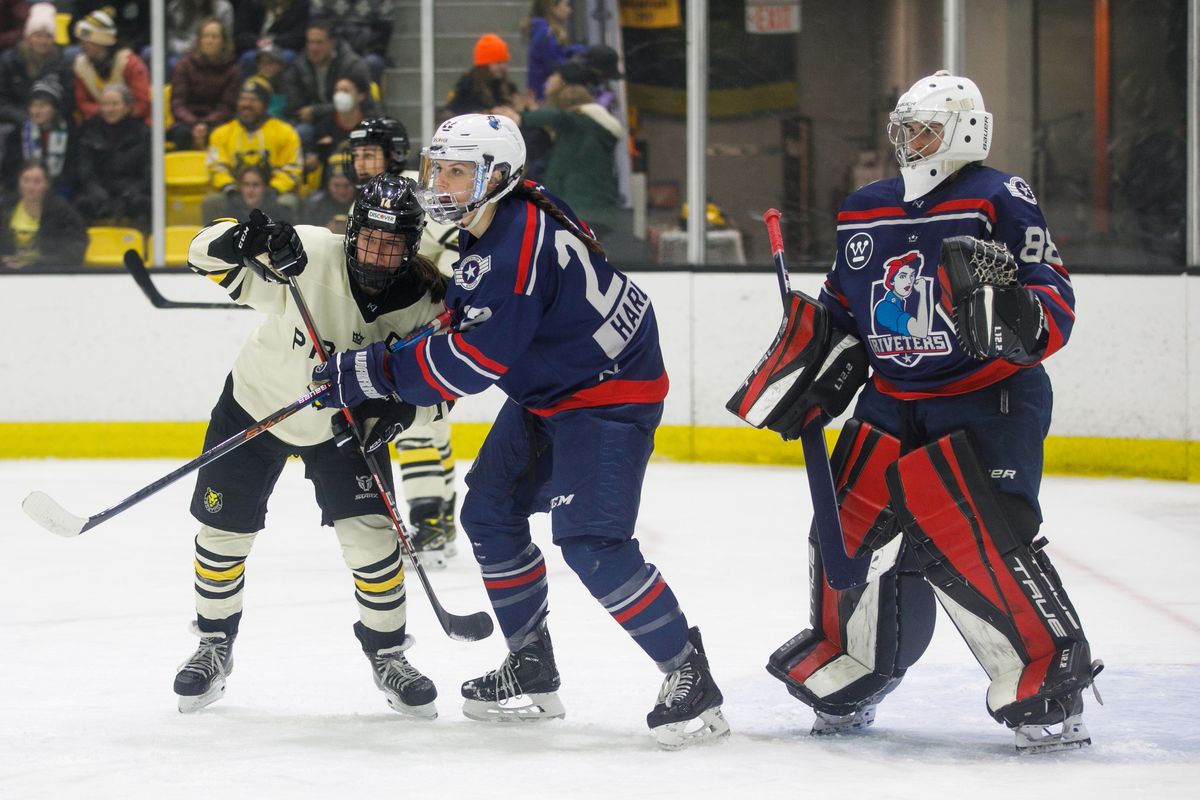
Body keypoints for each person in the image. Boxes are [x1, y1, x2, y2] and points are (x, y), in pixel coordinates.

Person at [312, 113, 731, 750]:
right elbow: (490, 320)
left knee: (592, 540)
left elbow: (471, 364)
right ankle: (531, 665)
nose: (443, 184)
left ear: (499, 176)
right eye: (439, 169)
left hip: (608, 392)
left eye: (460, 172)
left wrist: (371, 371)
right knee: (488, 513)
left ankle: (688, 674)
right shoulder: (517, 211)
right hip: (557, 383)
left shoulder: (507, 251)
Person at [742, 71, 1098, 754]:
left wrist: (1020, 316)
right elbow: (843, 309)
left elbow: (1050, 291)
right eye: (903, 128)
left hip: (984, 398)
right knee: (846, 536)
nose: (911, 140)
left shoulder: (998, 195)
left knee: (982, 543)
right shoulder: (865, 207)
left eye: (926, 127)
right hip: (889, 403)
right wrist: (811, 367)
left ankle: (1044, 686)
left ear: (966, 130)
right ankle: (853, 668)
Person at [174, 172, 448, 716]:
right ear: (351, 232)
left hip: (344, 428)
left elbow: (440, 389)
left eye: (392, 242)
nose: (377, 251)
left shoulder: (425, 304)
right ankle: (213, 643)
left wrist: (399, 411)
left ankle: (388, 653)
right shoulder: (307, 254)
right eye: (370, 236)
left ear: (411, 245)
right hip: (256, 405)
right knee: (222, 533)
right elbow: (201, 255)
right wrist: (244, 240)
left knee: (373, 545)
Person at [346, 116, 461, 568]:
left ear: (392, 154)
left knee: (417, 429)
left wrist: (445, 304)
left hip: (424, 322)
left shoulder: (415, 193)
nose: (360, 162)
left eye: (368, 153)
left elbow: (453, 248)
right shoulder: (374, 198)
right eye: (355, 153)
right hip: (405, 325)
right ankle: (443, 517)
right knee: (433, 429)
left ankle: (431, 520)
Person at [503, 61, 622, 237]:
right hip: (593, 210)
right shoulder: (592, 128)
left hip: (580, 209)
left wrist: (521, 118)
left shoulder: (578, 123)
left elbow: (558, 117)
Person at [203, 76, 302, 221]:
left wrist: (272, 190)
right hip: (235, 193)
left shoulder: (286, 132)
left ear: (265, 104)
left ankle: (289, 243)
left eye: (253, 100)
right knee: (212, 201)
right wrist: (231, 190)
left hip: (273, 194)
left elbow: (293, 168)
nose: (246, 104)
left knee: (288, 202)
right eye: (243, 99)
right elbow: (216, 168)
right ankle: (209, 242)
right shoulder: (221, 133)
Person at [282, 19, 371, 150]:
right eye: (310, 42)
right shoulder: (299, 65)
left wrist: (316, 111)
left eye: (319, 43)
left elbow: (360, 103)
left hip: (345, 120)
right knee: (299, 132)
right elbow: (295, 106)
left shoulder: (352, 65)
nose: (313, 48)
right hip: (314, 123)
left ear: (332, 43)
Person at [73, 83, 150, 229]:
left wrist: (128, 194)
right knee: (81, 203)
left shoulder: (143, 133)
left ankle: (145, 248)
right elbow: (85, 172)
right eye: (105, 104)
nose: (109, 109)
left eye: (115, 104)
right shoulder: (89, 132)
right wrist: (99, 193)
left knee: (144, 204)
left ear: (127, 107)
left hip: (131, 192)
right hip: (99, 190)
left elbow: (148, 174)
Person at [167, 16, 240, 151]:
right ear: (199, 40)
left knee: (221, 135)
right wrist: (195, 123)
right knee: (182, 134)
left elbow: (227, 106)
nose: (209, 41)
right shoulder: (184, 65)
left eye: (214, 37)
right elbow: (177, 103)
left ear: (223, 41)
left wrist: (205, 124)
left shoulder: (233, 70)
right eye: (206, 36)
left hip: (218, 123)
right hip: (186, 121)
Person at [0, 160, 87, 270]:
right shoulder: (5, 208)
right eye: (25, 180)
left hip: (47, 274)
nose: (30, 186)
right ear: (19, 182)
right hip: (9, 274)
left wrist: (34, 263)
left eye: (37, 181)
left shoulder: (63, 212)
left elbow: (75, 251)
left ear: (47, 184)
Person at [0, 3, 75, 131]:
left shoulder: (62, 61)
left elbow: (68, 98)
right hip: (17, 120)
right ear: (28, 37)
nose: (43, 41)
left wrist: (49, 116)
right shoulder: (10, 60)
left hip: (52, 120)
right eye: (38, 36)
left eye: (48, 36)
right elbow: (2, 100)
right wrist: (24, 117)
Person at [71, 7, 151, 124]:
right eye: (81, 41)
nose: (82, 46)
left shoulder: (129, 63)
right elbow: (82, 103)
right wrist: (106, 112)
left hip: (132, 123)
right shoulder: (80, 66)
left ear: (101, 41)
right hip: (98, 124)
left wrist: (119, 113)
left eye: (87, 41)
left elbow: (143, 103)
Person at [1, 78, 76, 198]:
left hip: (60, 190)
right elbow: (9, 171)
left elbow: (75, 172)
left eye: (42, 106)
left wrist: (46, 185)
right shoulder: (17, 135)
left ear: (55, 109)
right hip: (23, 191)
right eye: (33, 105)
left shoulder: (72, 134)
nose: (36, 111)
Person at [442, 33, 524, 118]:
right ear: (484, 65)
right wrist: (486, 113)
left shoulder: (508, 86)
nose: (503, 66)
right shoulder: (467, 85)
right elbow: (450, 114)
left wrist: (520, 109)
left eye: (505, 62)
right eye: (498, 62)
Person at [521, 0, 582, 103]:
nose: (570, 10)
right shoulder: (545, 34)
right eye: (566, 5)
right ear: (553, 7)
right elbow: (554, 66)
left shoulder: (544, 31)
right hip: (546, 96)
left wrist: (571, 51)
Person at [164, 0, 234, 74]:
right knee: (173, 62)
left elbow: (227, 39)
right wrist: (186, 48)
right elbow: (170, 39)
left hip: (214, 55)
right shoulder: (175, 7)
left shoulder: (223, 8)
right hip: (182, 53)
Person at [214, 162, 291, 222]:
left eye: (256, 185)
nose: (251, 190)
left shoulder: (279, 213)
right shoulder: (228, 214)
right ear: (240, 187)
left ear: (265, 187)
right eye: (246, 184)